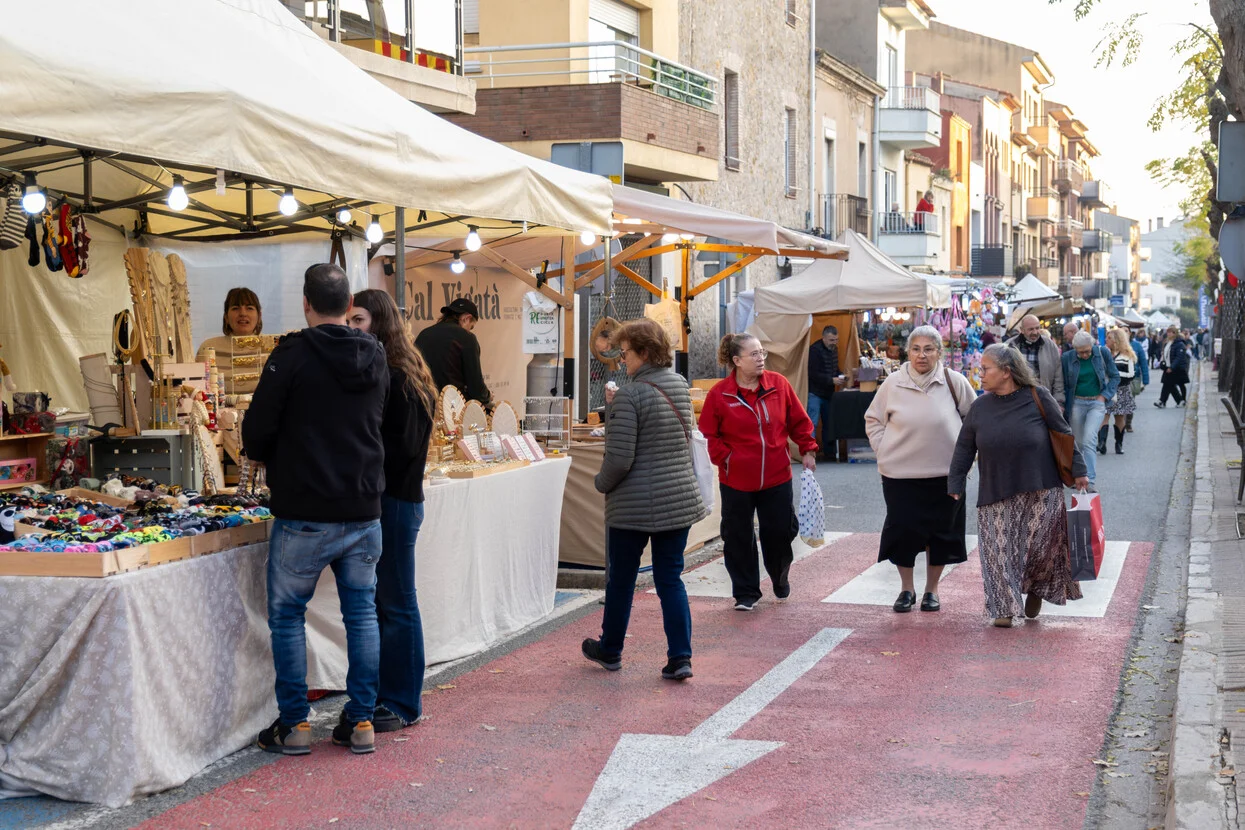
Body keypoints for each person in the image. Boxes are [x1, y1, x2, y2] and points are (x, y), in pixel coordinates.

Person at [243, 264, 388, 756]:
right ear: (349, 305)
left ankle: (296, 725)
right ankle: (362, 720)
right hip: (364, 506)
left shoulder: (291, 355)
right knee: (362, 615)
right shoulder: (375, 353)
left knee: (287, 617)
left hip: (304, 508)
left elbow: (256, 433)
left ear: (306, 303)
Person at [581, 319, 705, 681]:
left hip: (633, 505)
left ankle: (611, 649)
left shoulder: (630, 395)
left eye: (626, 353)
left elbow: (619, 459)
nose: (622, 361)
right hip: (677, 500)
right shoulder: (680, 386)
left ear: (644, 353)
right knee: (671, 579)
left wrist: (600, 483)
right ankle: (680, 656)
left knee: (621, 579)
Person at [949, 344, 1088, 627]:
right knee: (998, 551)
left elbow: (1063, 432)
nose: (980, 373)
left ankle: (1036, 587)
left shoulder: (1039, 397)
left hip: (1041, 488)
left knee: (1040, 548)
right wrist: (956, 480)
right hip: (995, 490)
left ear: (1006, 372)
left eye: (986, 368)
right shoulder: (979, 407)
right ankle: (1003, 608)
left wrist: (1079, 470)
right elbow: (964, 447)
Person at [348, 289, 437, 732]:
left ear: (379, 321)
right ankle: (395, 695)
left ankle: (403, 702)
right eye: (349, 320)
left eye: (359, 320)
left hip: (396, 502)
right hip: (400, 499)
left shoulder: (398, 375)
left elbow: (396, 450)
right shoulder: (404, 368)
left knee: (397, 603)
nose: (351, 327)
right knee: (392, 602)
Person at [699, 333, 818, 611]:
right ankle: (746, 592)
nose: (761, 358)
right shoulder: (720, 394)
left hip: (776, 475)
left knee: (779, 531)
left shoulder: (779, 385)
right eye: (754, 354)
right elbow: (708, 435)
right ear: (737, 361)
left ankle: (779, 575)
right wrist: (725, 459)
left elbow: (799, 421)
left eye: (761, 352)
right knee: (737, 536)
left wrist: (808, 448)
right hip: (736, 479)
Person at [864, 326, 975, 614]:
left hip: (945, 475)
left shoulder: (954, 381)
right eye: (916, 349)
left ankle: (931, 590)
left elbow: (974, 422)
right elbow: (873, 420)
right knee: (903, 531)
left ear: (940, 352)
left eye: (928, 349)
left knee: (942, 534)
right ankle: (906, 589)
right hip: (900, 475)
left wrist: (966, 463)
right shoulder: (892, 383)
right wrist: (883, 448)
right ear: (907, 352)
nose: (921, 355)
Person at [1061, 331, 1120, 490]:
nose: (1085, 355)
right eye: (1081, 353)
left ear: (1093, 345)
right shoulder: (1067, 357)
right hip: (1077, 402)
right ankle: (1079, 477)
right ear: (1075, 350)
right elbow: (1064, 382)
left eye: (1087, 351)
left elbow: (1115, 376)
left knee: (1089, 440)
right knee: (1077, 442)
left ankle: (1090, 481)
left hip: (1096, 402)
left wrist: (1104, 396)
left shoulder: (1102, 353)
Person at [414, 297, 492, 409]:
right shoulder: (467, 338)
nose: (470, 330)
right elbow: (476, 389)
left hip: (424, 406)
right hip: (453, 411)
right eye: (471, 327)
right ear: (466, 318)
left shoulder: (423, 335)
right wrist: (488, 396)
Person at [196, 287, 264, 394]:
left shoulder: (272, 348)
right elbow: (199, 390)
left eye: (249, 308)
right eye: (235, 308)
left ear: (259, 316)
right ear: (226, 317)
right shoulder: (208, 348)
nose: (243, 313)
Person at [1006, 315, 1064, 399]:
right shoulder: (1009, 345)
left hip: (1043, 399)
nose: (1035, 332)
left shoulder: (1050, 346)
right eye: (1031, 329)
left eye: (1037, 328)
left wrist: (1059, 400)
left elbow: (1058, 377)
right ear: (1022, 330)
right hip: (1016, 400)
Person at [807, 325, 841, 457]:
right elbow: (813, 373)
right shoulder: (814, 350)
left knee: (829, 423)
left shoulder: (834, 350)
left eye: (836, 340)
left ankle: (829, 453)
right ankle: (810, 453)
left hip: (828, 393)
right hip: (815, 393)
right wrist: (831, 380)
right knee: (812, 424)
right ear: (824, 338)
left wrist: (840, 375)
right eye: (832, 340)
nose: (834, 343)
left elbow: (834, 368)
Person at [1102, 328, 1138, 455]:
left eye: (1109, 338)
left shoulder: (1127, 355)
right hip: (1107, 390)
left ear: (1116, 340)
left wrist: (1114, 374)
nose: (1106, 340)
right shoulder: (1103, 353)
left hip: (1122, 389)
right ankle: (1102, 444)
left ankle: (1119, 444)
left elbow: (1131, 374)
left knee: (1119, 417)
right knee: (1104, 415)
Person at [1155, 325, 1190, 408]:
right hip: (1168, 367)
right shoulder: (1168, 343)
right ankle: (1178, 401)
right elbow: (1165, 354)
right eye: (1168, 332)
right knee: (1169, 385)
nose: (1168, 334)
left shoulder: (1179, 344)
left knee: (1168, 384)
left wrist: (1172, 367)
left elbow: (1178, 357)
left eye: (1170, 332)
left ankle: (1163, 401)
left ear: (1175, 333)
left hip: (1176, 368)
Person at [1127, 328, 1151, 432]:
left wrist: (1145, 380)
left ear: (1130, 333)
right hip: (1118, 378)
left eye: (1126, 331)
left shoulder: (1137, 345)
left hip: (1133, 377)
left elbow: (1143, 363)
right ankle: (1121, 423)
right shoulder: (1115, 345)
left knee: (1130, 400)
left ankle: (1128, 423)